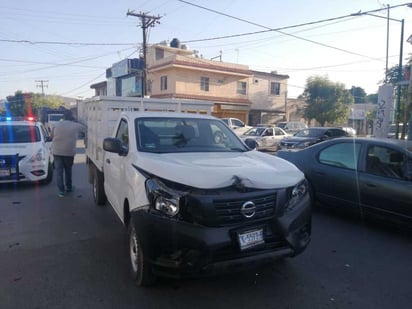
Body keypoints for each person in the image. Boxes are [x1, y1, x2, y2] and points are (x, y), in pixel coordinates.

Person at [51, 110, 85, 197]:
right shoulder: (75, 125)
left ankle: (61, 191)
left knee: (59, 172)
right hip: (69, 152)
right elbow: (85, 128)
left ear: (63, 117)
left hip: (56, 151)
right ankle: (69, 187)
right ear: (71, 117)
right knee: (68, 170)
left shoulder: (56, 124)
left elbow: (52, 136)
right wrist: (76, 120)